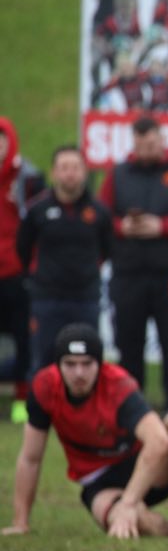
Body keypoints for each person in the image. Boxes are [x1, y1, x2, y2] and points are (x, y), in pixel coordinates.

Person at [3, 324, 168, 539]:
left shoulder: (117, 384)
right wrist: (20, 522)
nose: (79, 373)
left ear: (100, 364)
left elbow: (159, 442)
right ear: (57, 365)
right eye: (70, 364)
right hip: (99, 482)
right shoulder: (44, 387)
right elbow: (30, 458)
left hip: (145, 470)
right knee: (136, 525)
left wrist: (128, 502)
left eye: (87, 363)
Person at [99, 116, 168, 411]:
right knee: (128, 347)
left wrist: (162, 226)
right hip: (127, 275)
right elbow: (100, 217)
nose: (145, 151)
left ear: (162, 140)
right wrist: (122, 227)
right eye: (139, 146)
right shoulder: (118, 174)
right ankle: (129, 413)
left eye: (150, 145)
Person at [18, 147, 112, 377]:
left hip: (86, 299)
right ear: (54, 172)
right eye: (64, 168)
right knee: (43, 363)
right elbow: (23, 249)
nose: (70, 174)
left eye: (75, 168)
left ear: (84, 172)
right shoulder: (37, 210)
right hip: (47, 300)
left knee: (86, 364)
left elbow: (107, 250)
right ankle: (39, 402)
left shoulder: (99, 212)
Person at [0, 118, 46, 423]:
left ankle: (21, 398)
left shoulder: (28, 178)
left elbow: (39, 224)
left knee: (23, 339)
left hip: (17, 274)